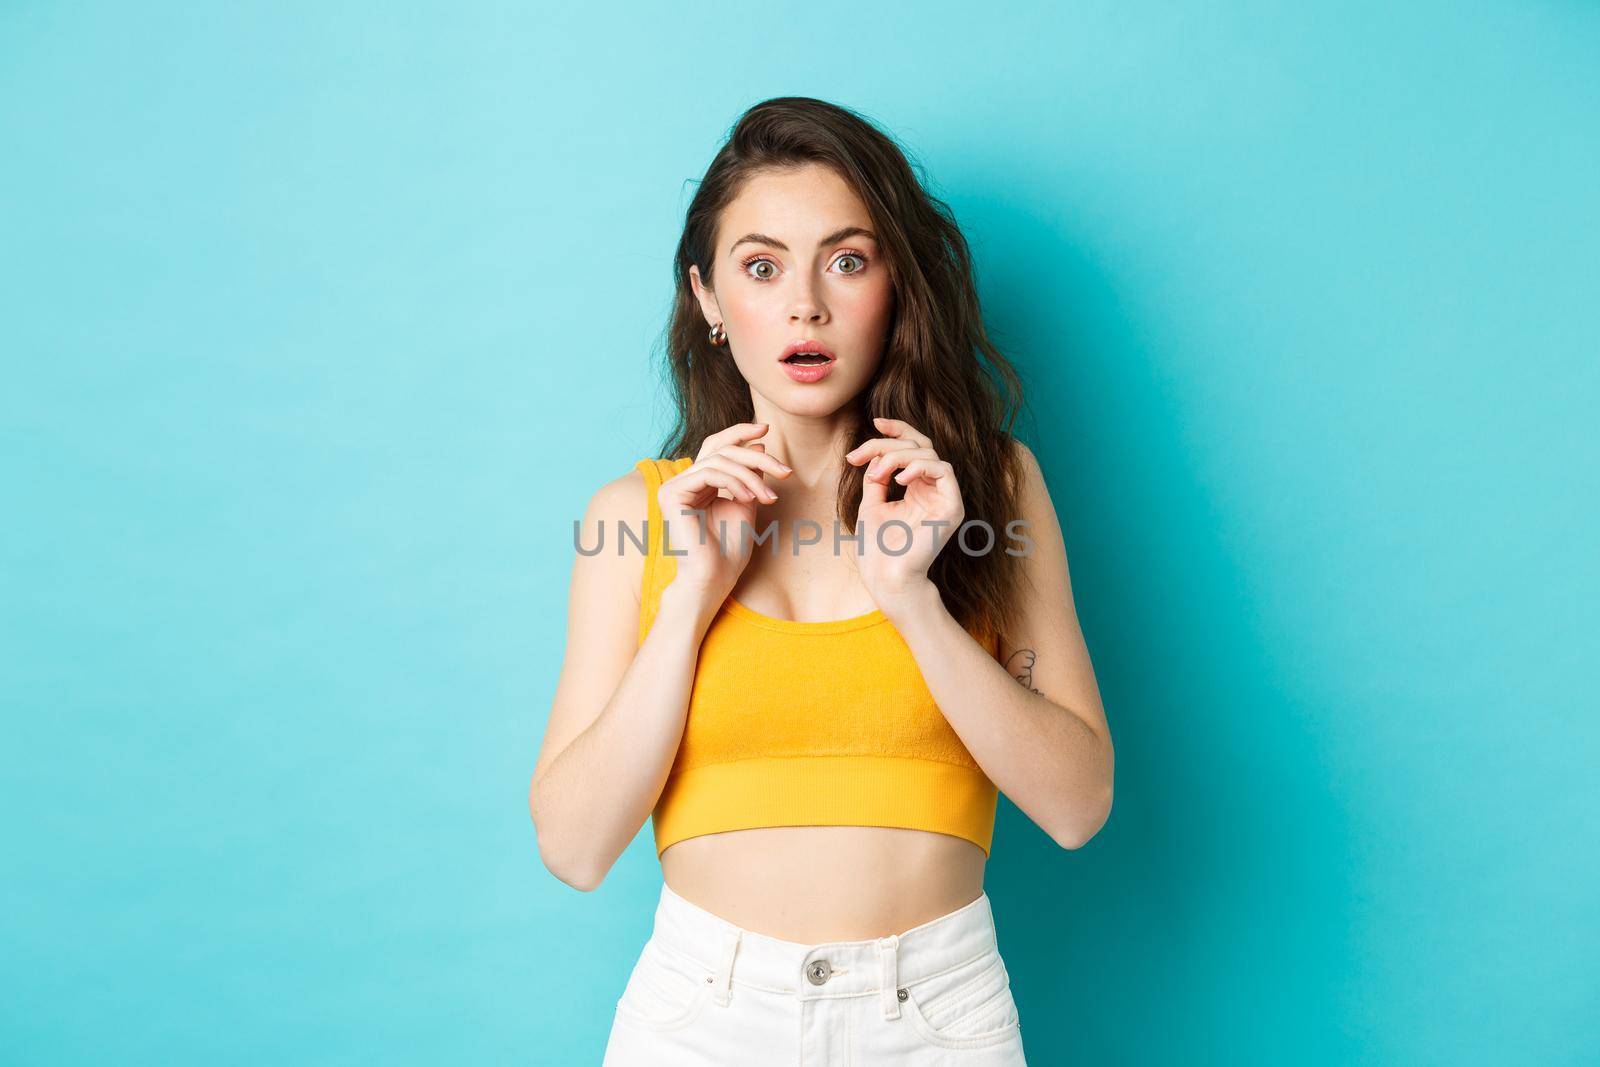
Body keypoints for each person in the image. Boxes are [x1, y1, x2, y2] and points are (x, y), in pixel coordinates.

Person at [529, 96, 1113, 1065]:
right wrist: (689, 599)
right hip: (698, 1016)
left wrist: (912, 598)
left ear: (897, 285)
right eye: (761, 267)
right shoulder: (634, 518)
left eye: (846, 260)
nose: (805, 304)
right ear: (708, 299)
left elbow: (1076, 804)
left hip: (936, 1016)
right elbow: (576, 846)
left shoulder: (988, 488)